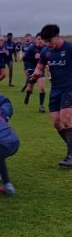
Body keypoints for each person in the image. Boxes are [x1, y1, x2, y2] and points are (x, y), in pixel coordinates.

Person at [32, 24, 72, 167]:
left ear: (57, 36)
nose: (48, 44)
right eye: (46, 42)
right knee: (56, 122)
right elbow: (40, 66)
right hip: (55, 89)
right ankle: (71, 148)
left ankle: (71, 155)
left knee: (66, 118)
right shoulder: (46, 51)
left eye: (49, 41)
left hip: (69, 88)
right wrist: (35, 74)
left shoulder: (69, 49)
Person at [23, 33, 46, 113]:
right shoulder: (31, 48)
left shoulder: (45, 49)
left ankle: (41, 106)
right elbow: (25, 58)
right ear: (36, 40)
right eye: (39, 39)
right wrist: (33, 57)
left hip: (40, 70)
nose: (40, 41)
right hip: (32, 70)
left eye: (42, 39)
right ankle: (28, 94)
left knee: (42, 88)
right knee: (30, 88)